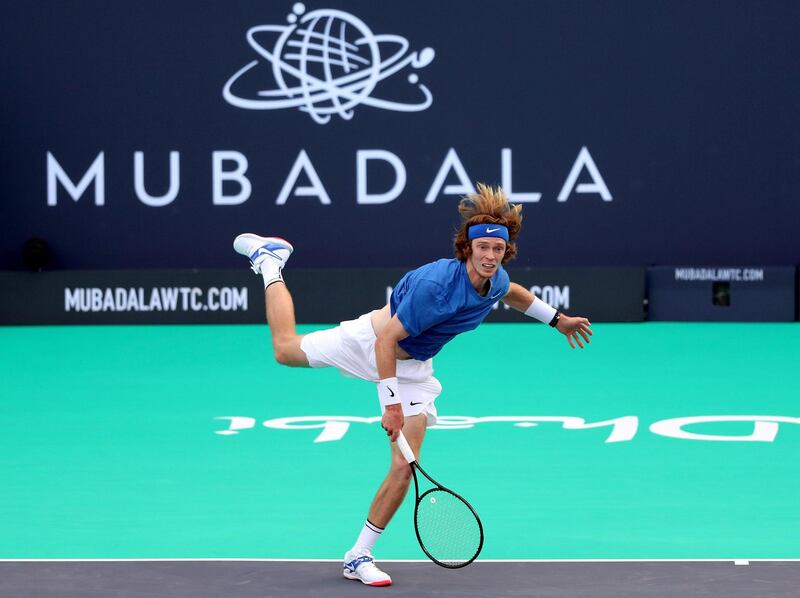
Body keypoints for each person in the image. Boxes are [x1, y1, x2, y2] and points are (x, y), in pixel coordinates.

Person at [233, 183, 592, 587]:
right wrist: (390, 405)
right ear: (467, 248)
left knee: (405, 465)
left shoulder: (495, 278)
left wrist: (557, 320)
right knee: (285, 350)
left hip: (416, 368)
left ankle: (358, 555)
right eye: (483, 249)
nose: (490, 256)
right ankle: (270, 263)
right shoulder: (436, 288)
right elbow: (387, 340)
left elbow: (514, 295)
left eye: (497, 249)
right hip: (369, 342)